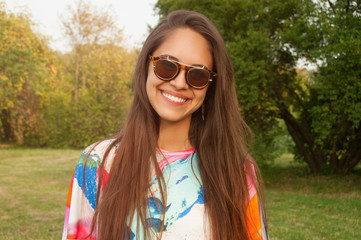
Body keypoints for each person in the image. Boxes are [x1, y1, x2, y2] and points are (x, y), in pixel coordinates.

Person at [62, 10, 268, 240]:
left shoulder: (236, 170)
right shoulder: (97, 163)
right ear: (147, 65)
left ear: (210, 87)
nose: (179, 83)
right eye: (167, 66)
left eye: (198, 75)